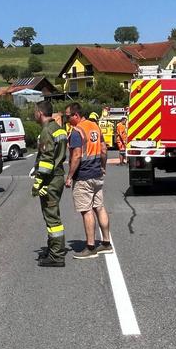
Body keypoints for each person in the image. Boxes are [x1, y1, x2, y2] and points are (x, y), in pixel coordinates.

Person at [64, 103, 112, 259]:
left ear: (76, 115)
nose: (67, 119)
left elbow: (76, 156)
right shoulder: (95, 127)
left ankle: (90, 247)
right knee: (100, 207)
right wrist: (103, 167)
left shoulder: (77, 131)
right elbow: (104, 150)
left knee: (86, 210)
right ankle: (106, 243)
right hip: (97, 174)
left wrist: (70, 176)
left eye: (68, 116)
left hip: (83, 176)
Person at [32, 101, 69, 267]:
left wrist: (38, 183)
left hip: (50, 180)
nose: (34, 115)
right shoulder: (59, 129)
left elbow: (46, 161)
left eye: (34, 112)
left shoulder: (47, 131)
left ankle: (56, 255)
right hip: (58, 176)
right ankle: (53, 249)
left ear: (40, 113)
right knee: (52, 214)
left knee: (52, 218)